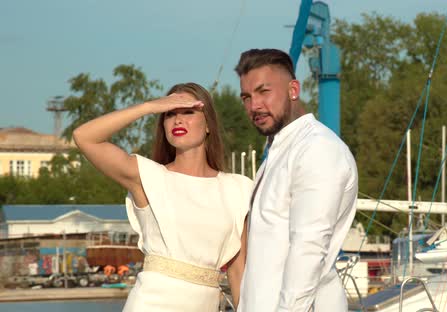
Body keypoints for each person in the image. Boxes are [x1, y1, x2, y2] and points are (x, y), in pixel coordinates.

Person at [73, 82, 252, 311]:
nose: (178, 120)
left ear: (208, 124)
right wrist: (149, 107)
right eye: (169, 114)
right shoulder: (149, 176)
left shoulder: (238, 189)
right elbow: (84, 136)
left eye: (188, 111)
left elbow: (239, 272)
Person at [235, 49, 358, 311]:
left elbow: (309, 247)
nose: (254, 105)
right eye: (246, 97)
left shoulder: (317, 149)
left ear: (293, 89)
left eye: (264, 91)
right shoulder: (279, 151)